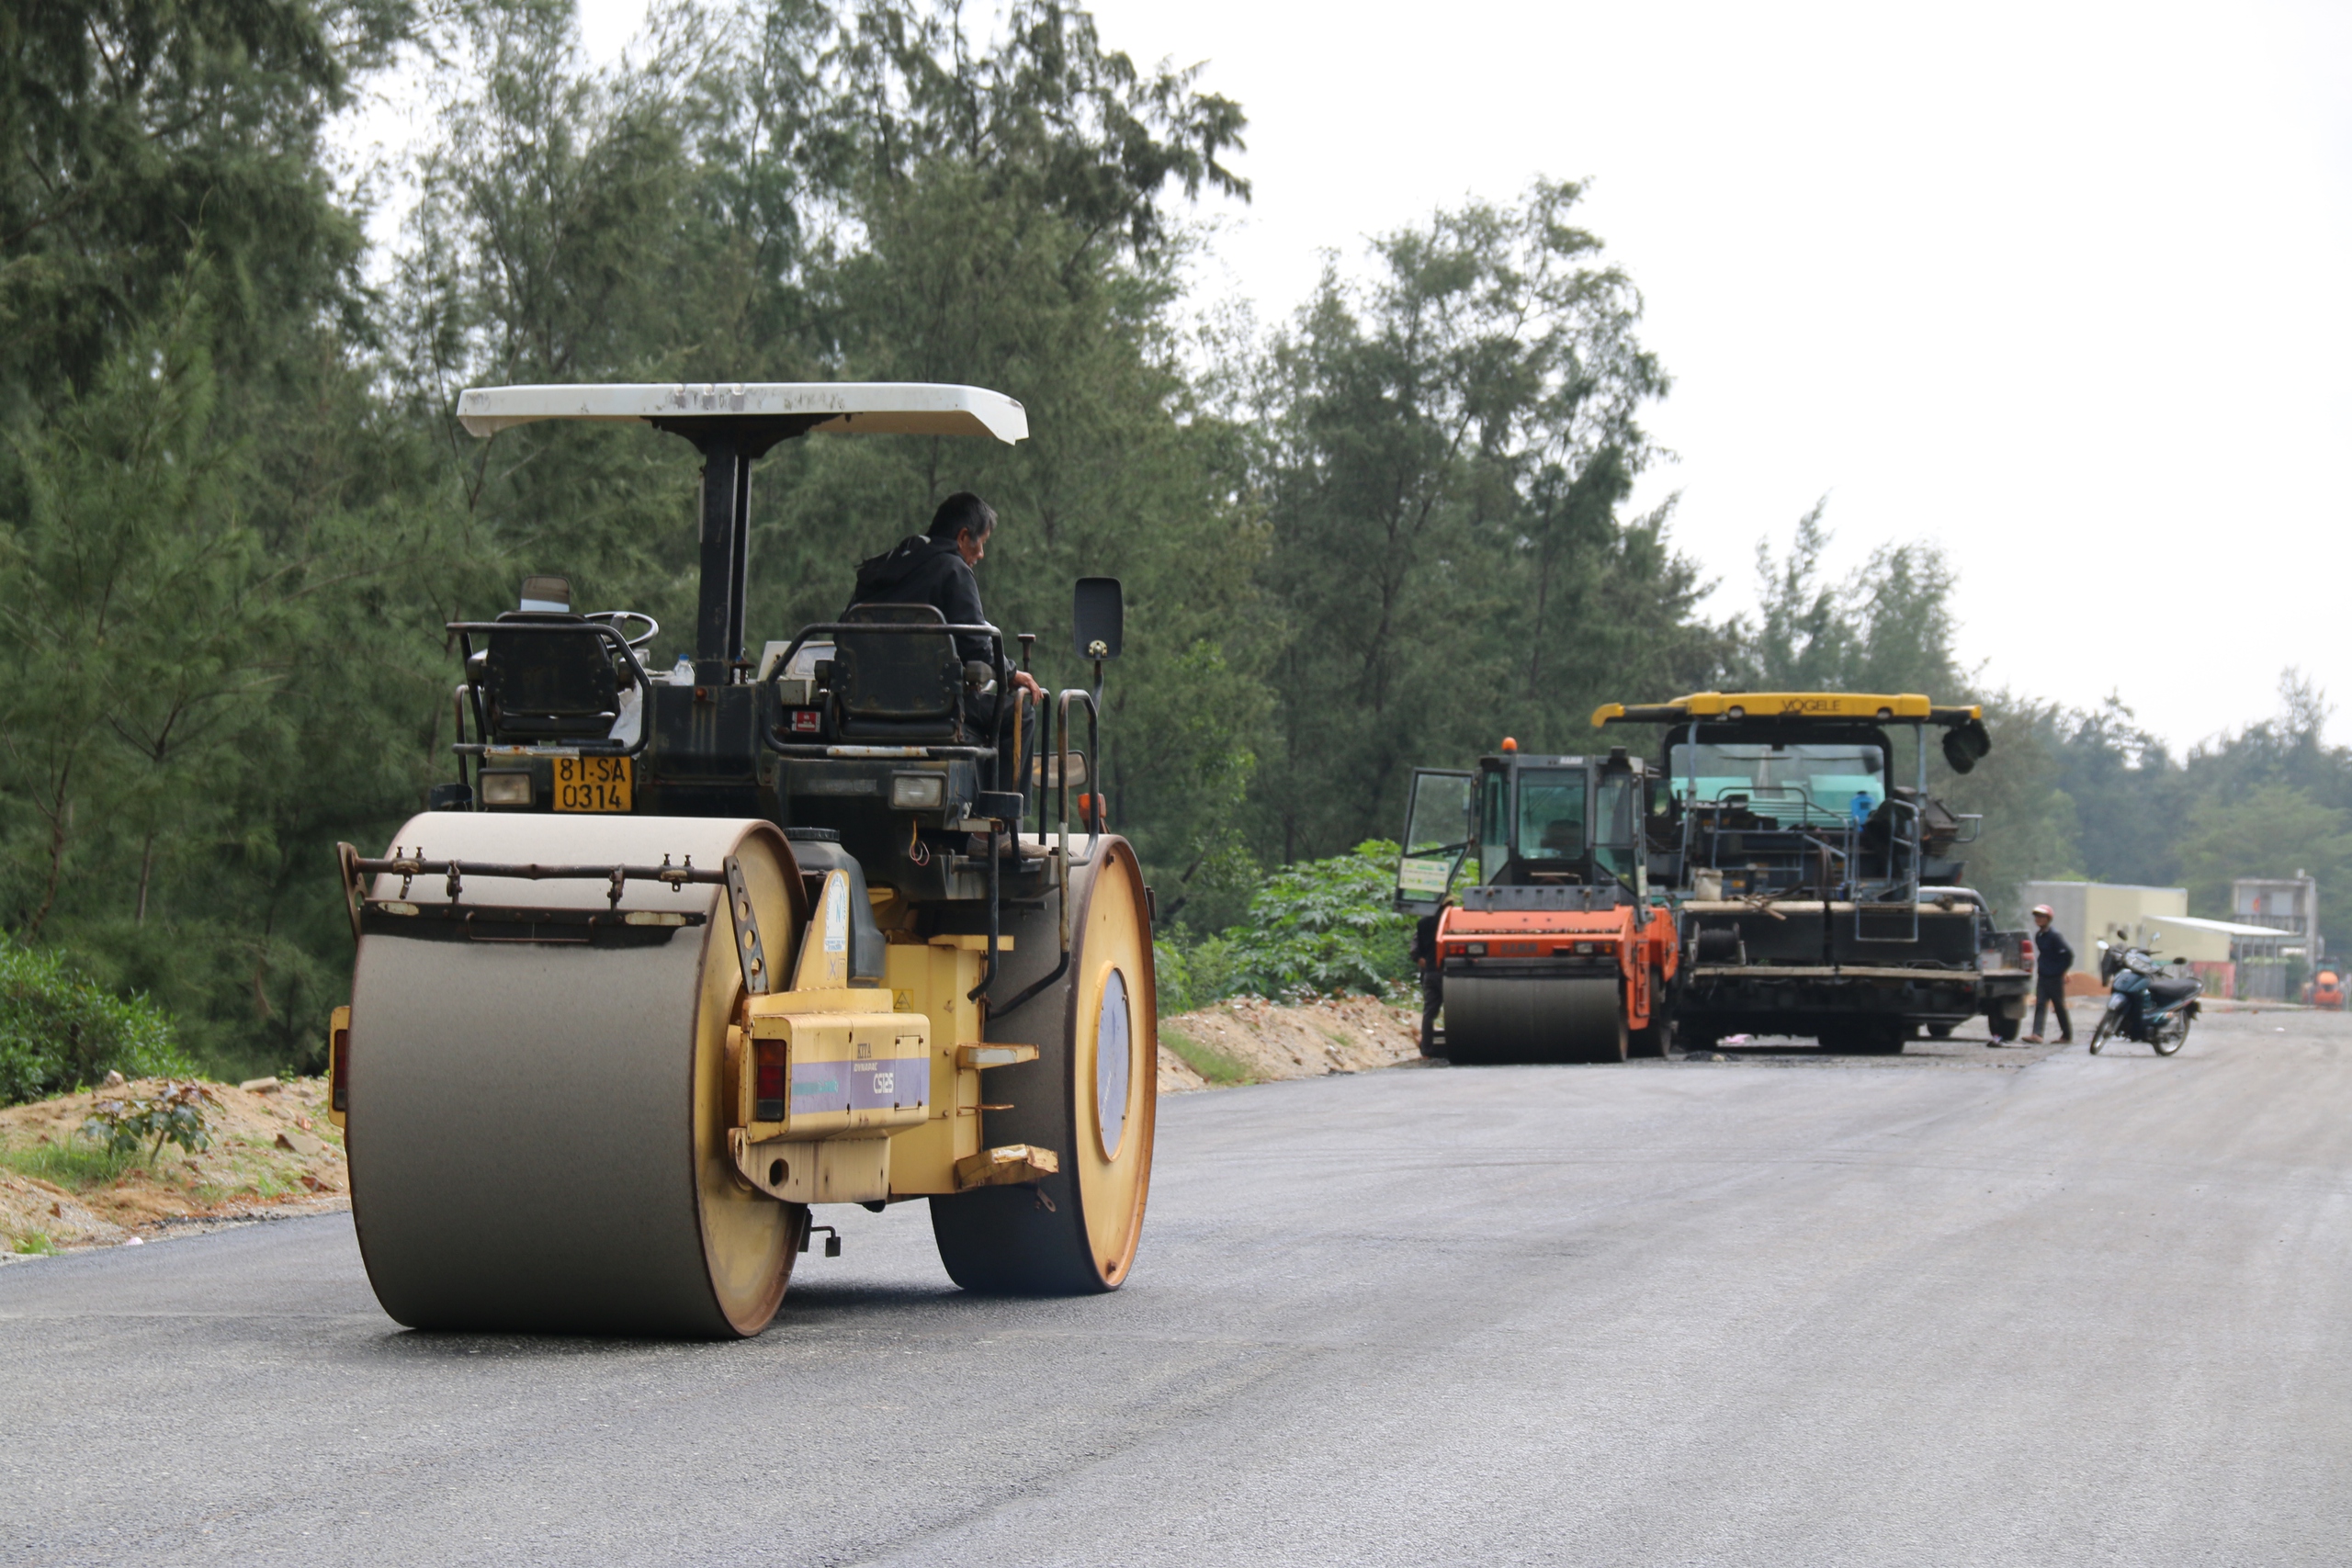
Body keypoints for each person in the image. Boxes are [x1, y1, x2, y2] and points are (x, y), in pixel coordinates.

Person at [845, 491, 1044, 700]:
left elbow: (844, 631)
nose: (981, 553)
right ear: (962, 537)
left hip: (862, 703)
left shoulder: (882, 566)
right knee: (1021, 713)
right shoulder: (953, 570)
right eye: (981, 542)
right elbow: (976, 646)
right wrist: (1011, 673)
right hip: (934, 705)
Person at [2023, 903, 2075, 1044]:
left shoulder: (2054, 936)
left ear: (2048, 918)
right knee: (2040, 1004)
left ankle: (2067, 1035)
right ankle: (2037, 1034)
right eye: (2037, 916)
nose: (2038, 919)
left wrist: (2060, 971)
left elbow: (2068, 955)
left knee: (2058, 1006)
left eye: (2041, 916)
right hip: (2043, 976)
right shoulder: (2039, 935)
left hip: (2054, 978)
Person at [1410, 897, 1450, 1056]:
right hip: (1447, 973)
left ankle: (1426, 1050)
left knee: (1429, 1013)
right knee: (1454, 1011)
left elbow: (1415, 952)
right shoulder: (1448, 922)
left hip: (1430, 973)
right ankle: (1455, 1045)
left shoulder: (1422, 923)